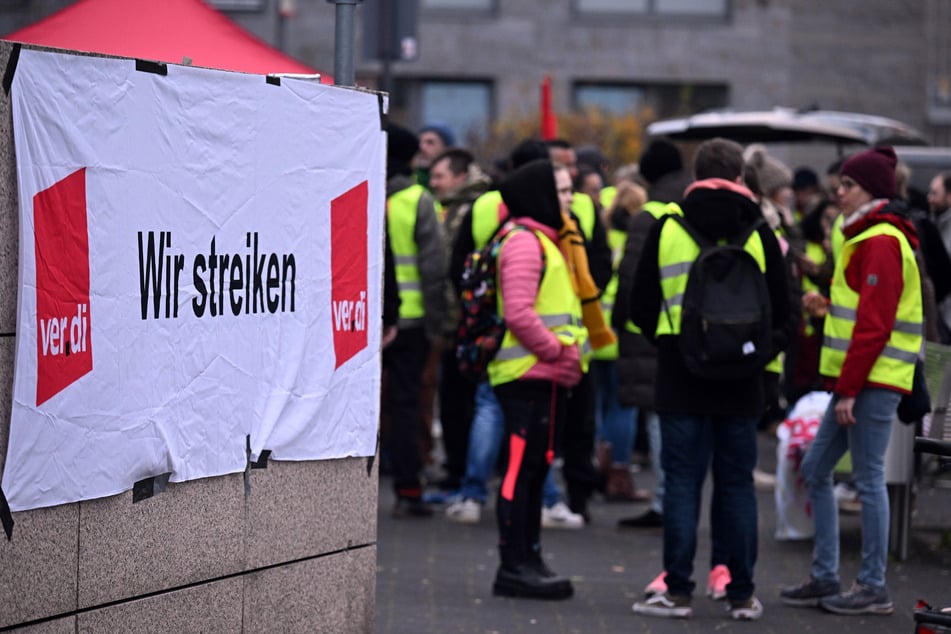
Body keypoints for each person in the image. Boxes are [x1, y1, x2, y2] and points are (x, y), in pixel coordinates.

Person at [630, 138, 794, 621]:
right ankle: (741, 593)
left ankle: (678, 590)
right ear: (741, 176)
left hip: (681, 376)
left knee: (682, 482)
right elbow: (783, 314)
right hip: (742, 378)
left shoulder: (667, 227)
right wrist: (759, 354)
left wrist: (671, 344)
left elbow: (638, 306)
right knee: (737, 485)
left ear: (696, 174)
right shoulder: (761, 232)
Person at [781, 146, 923, 616]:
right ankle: (827, 577)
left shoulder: (879, 239)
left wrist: (847, 389)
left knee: (866, 480)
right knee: (818, 470)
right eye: (839, 184)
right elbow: (865, 315)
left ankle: (872, 586)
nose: (837, 192)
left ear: (873, 192)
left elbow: (875, 326)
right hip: (865, 379)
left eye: (848, 185)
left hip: (872, 382)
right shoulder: (865, 236)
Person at [489, 160, 588, 600]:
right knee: (520, 474)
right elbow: (519, 313)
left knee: (534, 472)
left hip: (543, 379)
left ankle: (529, 558)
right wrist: (558, 352)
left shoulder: (543, 241)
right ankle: (514, 566)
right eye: (562, 191)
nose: (569, 199)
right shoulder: (526, 243)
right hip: (526, 377)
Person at [382, 123, 448, 517]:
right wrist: (439, 324)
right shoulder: (417, 199)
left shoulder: (360, 183)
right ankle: (408, 488)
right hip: (410, 319)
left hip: (359, 318)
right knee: (406, 404)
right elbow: (433, 267)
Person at [428, 147, 492, 492]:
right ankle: (463, 472)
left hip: (461, 325)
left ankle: (464, 475)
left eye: (440, 176)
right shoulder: (459, 207)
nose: (434, 183)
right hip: (464, 322)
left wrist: (452, 321)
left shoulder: (465, 210)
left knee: (461, 402)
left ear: (460, 176)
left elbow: (455, 270)